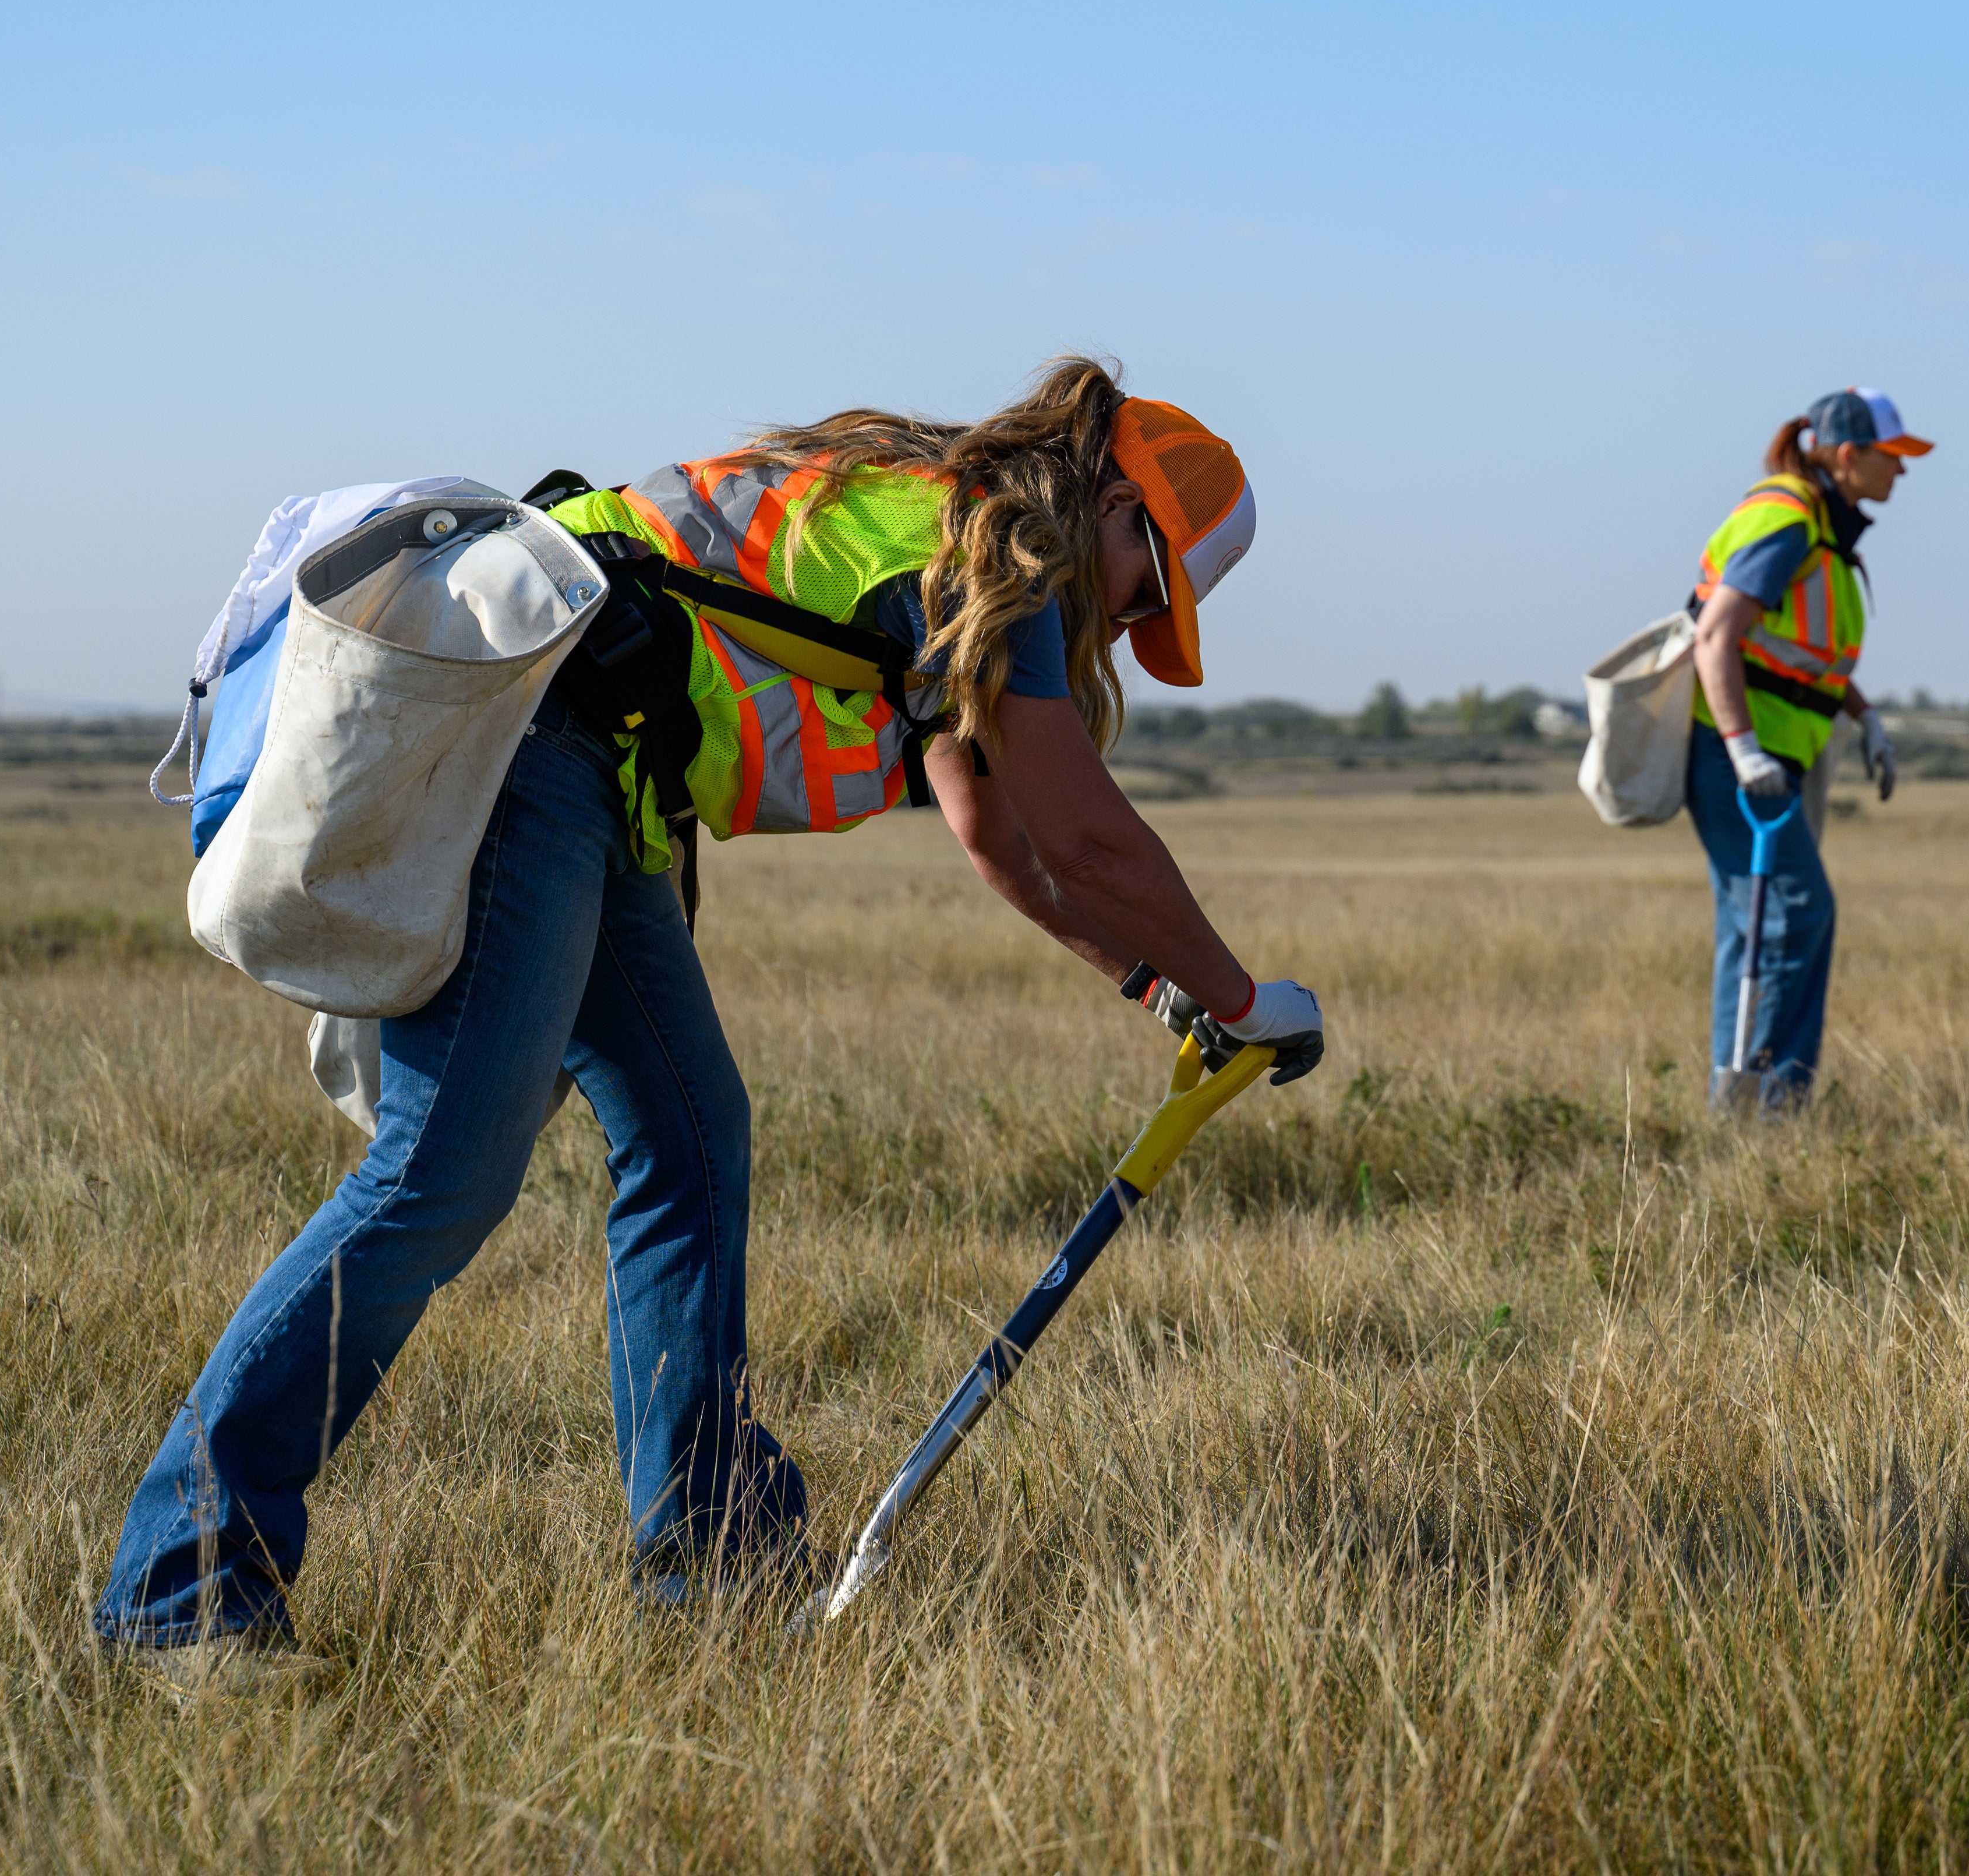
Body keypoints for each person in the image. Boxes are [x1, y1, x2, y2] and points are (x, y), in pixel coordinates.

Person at [93, 357, 1325, 1690]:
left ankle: (712, 1563)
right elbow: (1082, 830)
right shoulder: (996, 542)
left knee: (687, 1143)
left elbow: (1004, 838)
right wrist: (1248, 993)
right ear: (1121, 510)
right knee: (436, 1175)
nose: (1133, 614)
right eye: (1154, 585)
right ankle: (183, 1598)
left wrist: (1163, 988)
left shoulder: (952, 535)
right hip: (531, 744)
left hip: (595, 769)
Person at [1686, 387, 1932, 1108]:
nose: (1904, 473)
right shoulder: (1789, 521)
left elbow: (1795, 656)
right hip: (1736, 755)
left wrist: (1866, 718)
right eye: (1894, 457)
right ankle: (1773, 1105)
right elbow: (1717, 637)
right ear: (1850, 456)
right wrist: (1742, 749)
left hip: (1771, 754)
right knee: (1798, 910)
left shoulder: (1822, 527)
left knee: (1753, 924)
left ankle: (1741, 1103)